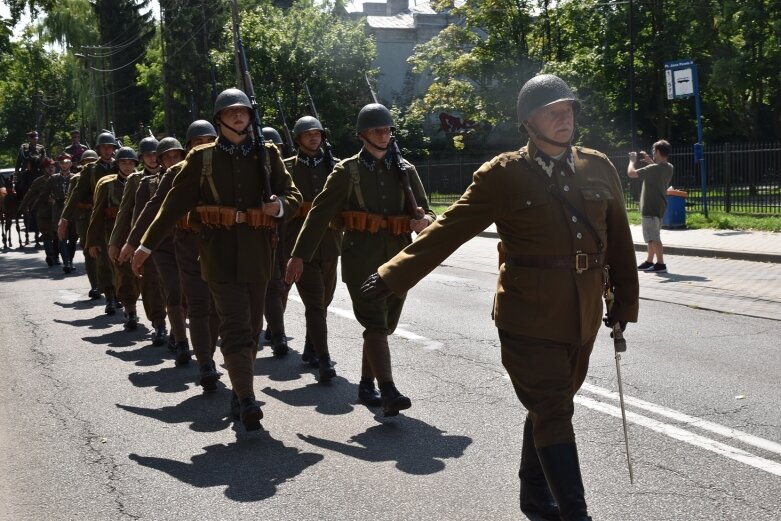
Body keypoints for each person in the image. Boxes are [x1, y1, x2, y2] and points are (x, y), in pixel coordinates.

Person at [360, 74, 639, 521]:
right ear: (529, 122)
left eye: (568, 108)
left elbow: (620, 243)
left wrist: (624, 303)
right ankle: (575, 513)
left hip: (583, 315)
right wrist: (393, 274)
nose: (564, 116)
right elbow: (449, 229)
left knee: (552, 405)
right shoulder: (502, 175)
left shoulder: (598, 167)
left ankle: (534, 498)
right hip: (527, 318)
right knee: (551, 405)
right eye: (553, 110)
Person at [130, 88, 302, 430]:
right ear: (219, 118)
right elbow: (172, 206)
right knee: (236, 329)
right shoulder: (202, 158)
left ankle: (239, 392)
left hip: (257, 255)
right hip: (217, 255)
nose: (239, 116)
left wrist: (280, 206)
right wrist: (144, 245)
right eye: (231, 112)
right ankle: (249, 398)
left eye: (243, 112)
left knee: (253, 330)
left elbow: (293, 193)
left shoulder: (266, 154)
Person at [285, 103, 435, 415]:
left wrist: (425, 221)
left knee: (385, 325)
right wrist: (298, 256)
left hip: (398, 256)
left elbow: (427, 209)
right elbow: (318, 215)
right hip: (360, 257)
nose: (384, 134)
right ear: (362, 135)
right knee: (375, 323)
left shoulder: (405, 170)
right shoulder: (345, 171)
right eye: (376, 129)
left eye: (387, 129)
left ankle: (367, 384)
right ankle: (389, 389)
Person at [121, 120, 221, 391]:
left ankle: (208, 354)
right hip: (175, 244)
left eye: (208, 140)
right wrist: (134, 243)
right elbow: (149, 210)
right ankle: (194, 352)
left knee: (215, 306)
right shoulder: (170, 175)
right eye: (197, 143)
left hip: (219, 245)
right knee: (179, 295)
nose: (204, 146)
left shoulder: (227, 166)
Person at [280, 116, 342, 370]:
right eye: (308, 134)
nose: (314, 137)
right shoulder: (287, 168)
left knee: (324, 300)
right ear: (298, 139)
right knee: (315, 303)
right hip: (299, 246)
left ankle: (310, 345)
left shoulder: (335, 166)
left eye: (317, 133)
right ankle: (323, 358)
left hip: (329, 243)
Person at [108, 136, 168, 345]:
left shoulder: (174, 174)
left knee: (172, 285)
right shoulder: (135, 180)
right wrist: (115, 242)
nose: (152, 158)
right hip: (144, 239)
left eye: (155, 154)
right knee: (150, 283)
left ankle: (178, 329)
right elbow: (124, 212)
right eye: (148, 155)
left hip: (172, 238)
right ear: (141, 158)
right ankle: (159, 324)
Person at [59, 132, 121, 307]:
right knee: (102, 260)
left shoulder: (122, 165)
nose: (107, 150)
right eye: (104, 147)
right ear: (99, 149)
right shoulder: (91, 169)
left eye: (110, 147)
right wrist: (64, 218)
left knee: (120, 258)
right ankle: (109, 295)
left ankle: (120, 292)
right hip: (99, 219)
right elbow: (76, 194)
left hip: (120, 219)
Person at [86, 146, 141, 328]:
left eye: (131, 163)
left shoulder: (143, 181)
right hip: (115, 236)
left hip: (140, 236)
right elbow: (97, 214)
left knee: (141, 276)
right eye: (123, 162)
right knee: (123, 273)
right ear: (117, 164)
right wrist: (93, 241)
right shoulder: (107, 184)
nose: (127, 166)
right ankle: (130, 309)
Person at [627, 140, 674, 273]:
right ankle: (649, 261)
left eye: (653, 151)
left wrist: (632, 161)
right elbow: (657, 170)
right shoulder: (669, 167)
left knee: (653, 237)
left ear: (658, 152)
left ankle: (660, 264)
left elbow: (631, 173)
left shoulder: (653, 169)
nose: (652, 153)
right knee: (650, 237)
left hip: (650, 207)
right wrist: (649, 160)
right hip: (658, 206)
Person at [62, 150, 101, 297]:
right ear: (82, 163)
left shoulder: (105, 176)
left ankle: (111, 286)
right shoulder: (76, 179)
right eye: (87, 161)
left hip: (104, 219)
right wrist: (85, 206)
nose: (90, 163)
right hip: (84, 220)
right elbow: (69, 201)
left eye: (93, 160)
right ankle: (95, 286)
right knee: (89, 252)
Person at [18, 156, 57, 265]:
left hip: (58, 212)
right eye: (48, 167)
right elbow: (28, 195)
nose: (51, 169)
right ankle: (50, 256)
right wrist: (21, 209)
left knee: (57, 235)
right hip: (43, 212)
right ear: (44, 169)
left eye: (52, 167)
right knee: (46, 234)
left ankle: (57, 256)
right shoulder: (38, 181)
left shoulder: (59, 179)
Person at [14, 130, 47, 247]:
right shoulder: (24, 147)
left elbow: (45, 159)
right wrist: (17, 173)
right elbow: (20, 159)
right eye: (32, 137)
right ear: (29, 138)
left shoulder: (41, 147)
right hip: (26, 173)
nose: (34, 139)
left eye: (36, 137)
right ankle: (19, 205)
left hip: (38, 172)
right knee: (18, 187)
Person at [49, 153, 78, 272]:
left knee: (73, 238)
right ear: (59, 164)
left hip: (73, 212)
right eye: (62, 163)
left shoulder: (76, 177)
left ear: (71, 163)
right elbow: (44, 194)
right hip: (58, 211)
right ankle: (66, 263)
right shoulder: (54, 178)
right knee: (61, 237)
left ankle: (70, 261)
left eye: (67, 162)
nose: (64, 165)